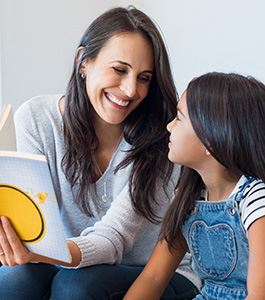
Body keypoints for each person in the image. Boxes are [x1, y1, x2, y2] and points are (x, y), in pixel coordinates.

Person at [0, 6, 200, 300]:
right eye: (119, 70)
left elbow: (114, 238)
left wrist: (44, 252)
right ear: (83, 61)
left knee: (76, 287)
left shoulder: (164, 136)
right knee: (13, 279)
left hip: (154, 273)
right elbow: (39, 225)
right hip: (72, 261)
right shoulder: (36, 118)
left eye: (144, 78)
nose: (131, 89)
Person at [123, 72, 265, 300]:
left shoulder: (255, 199)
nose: (169, 126)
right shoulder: (189, 200)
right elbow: (154, 277)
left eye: (179, 117)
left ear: (211, 137)